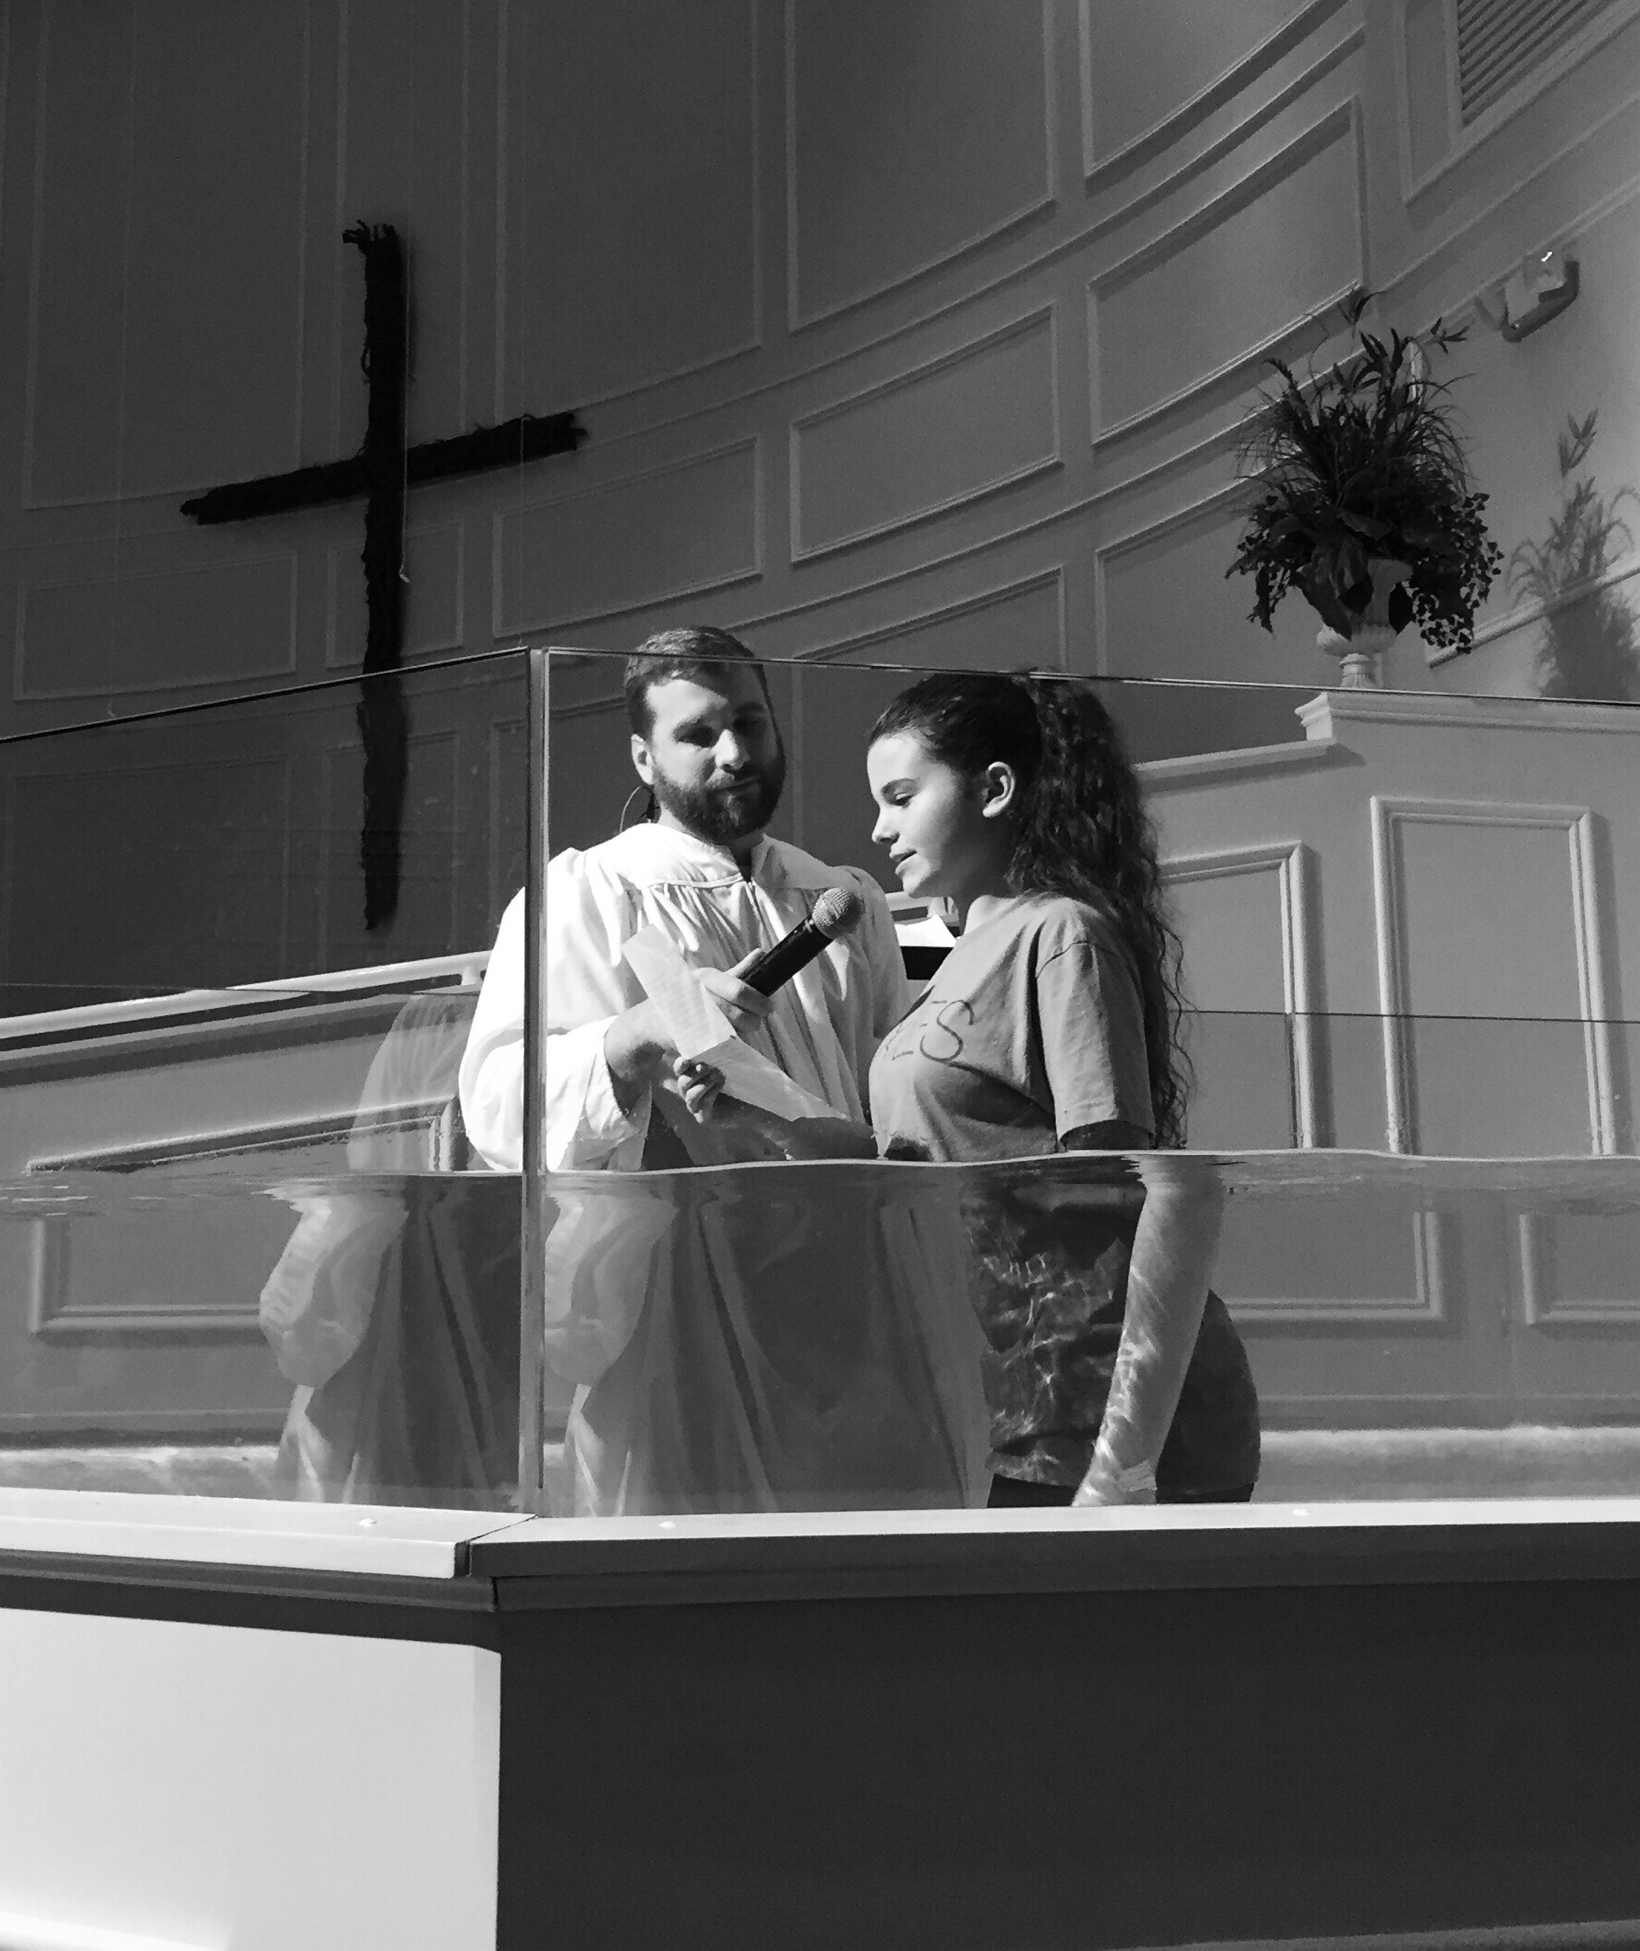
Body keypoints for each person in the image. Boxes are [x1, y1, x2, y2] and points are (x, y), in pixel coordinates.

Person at [457, 628, 985, 1513]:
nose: (735, 753)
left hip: (852, 1302)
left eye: (750, 722)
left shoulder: (840, 896)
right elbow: (498, 1106)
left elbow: (893, 1086)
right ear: (644, 756)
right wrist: (635, 1037)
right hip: (676, 1318)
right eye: (698, 734)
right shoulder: (588, 893)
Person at [859, 670, 1259, 1509]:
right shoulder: (956, 961)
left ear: (994, 789)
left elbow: (1137, 1196)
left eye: (901, 797)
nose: (879, 829)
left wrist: (1123, 1461)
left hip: (1104, 1421)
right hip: (1020, 1400)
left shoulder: (1060, 934)